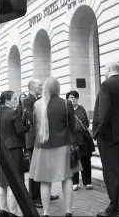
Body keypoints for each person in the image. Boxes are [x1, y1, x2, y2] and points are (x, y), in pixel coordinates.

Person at [28, 77, 82, 217]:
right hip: (63, 145)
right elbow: (72, 126)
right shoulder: (66, 103)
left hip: (42, 146)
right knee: (67, 178)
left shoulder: (38, 104)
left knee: (45, 181)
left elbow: (35, 127)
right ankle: (68, 211)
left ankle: (46, 213)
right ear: (57, 88)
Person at [93, 62, 119, 217]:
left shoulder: (106, 85)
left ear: (108, 70)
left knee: (111, 171)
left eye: (104, 69)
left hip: (108, 136)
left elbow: (103, 112)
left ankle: (114, 209)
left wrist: (97, 132)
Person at [23, 79, 59, 208]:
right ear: (32, 87)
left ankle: (45, 193)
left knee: (44, 166)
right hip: (33, 140)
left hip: (42, 138)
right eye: (39, 85)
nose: (41, 87)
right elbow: (32, 119)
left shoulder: (38, 100)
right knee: (35, 169)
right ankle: (35, 197)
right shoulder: (27, 101)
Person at [0, 91, 30, 217]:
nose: (17, 101)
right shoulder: (13, 112)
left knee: (2, 182)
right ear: (7, 101)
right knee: (14, 182)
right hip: (14, 149)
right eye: (15, 99)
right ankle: (14, 212)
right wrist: (27, 126)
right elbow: (20, 130)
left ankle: (3, 210)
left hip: (0, 150)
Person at [66, 90, 95, 191]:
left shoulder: (82, 108)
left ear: (77, 98)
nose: (72, 99)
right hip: (72, 139)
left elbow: (86, 123)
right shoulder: (66, 110)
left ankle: (87, 182)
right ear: (67, 99)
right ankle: (75, 182)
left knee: (86, 160)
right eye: (70, 97)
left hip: (83, 138)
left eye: (74, 97)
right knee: (74, 160)